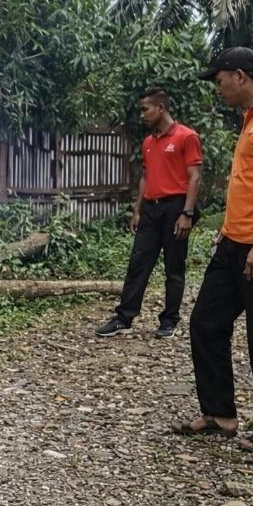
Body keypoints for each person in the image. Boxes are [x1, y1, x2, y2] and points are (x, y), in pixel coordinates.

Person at [172, 47, 253, 452]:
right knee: (206, 323)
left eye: (219, 80)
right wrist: (228, 232)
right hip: (235, 242)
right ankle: (220, 414)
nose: (218, 87)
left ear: (240, 75)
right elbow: (250, 185)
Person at [96, 88, 202, 339]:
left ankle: (169, 320)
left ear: (161, 108)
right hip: (151, 210)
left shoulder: (187, 137)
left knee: (174, 267)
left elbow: (195, 177)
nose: (142, 114)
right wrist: (137, 210)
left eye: (146, 109)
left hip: (176, 207)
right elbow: (145, 177)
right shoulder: (148, 142)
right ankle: (124, 318)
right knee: (138, 263)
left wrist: (187, 212)